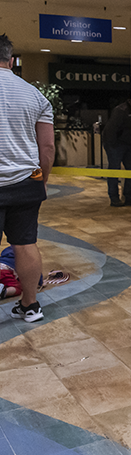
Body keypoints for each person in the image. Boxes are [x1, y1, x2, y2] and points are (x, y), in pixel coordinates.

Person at [0, 33, 55, 323]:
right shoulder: (36, 95)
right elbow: (46, 147)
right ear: (11, 60)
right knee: (25, 243)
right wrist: (42, 181)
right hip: (24, 182)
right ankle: (31, 305)